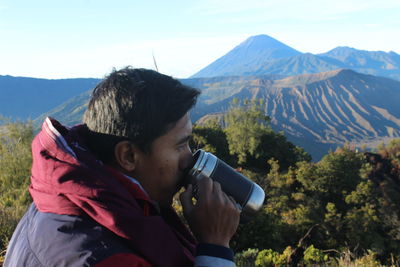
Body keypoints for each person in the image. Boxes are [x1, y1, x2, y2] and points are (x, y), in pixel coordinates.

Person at [4, 67, 241, 267]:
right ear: (128, 155)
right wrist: (215, 248)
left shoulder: (76, 197)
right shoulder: (100, 257)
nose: (189, 159)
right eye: (180, 146)